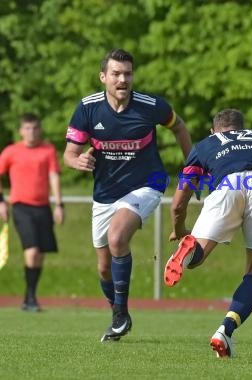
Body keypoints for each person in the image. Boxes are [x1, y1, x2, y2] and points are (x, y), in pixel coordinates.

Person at [63, 48, 192, 342]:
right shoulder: (87, 108)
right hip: (105, 192)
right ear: (103, 77)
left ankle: (120, 314)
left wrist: (191, 167)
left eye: (128, 74)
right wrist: (78, 160)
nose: (123, 79)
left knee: (118, 237)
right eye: (116, 74)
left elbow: (180, 126)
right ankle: (119, 315)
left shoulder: (151, 106)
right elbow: (69, 155)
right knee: (104, 266)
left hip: (148, 183)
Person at [163, 108, 252, 358]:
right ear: (242, 127)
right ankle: (225, 329)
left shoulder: (206, 145)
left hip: (226, 186)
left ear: (215, 130)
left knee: (197, 256)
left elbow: (178, 203)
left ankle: (189, 251)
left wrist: (180, 230)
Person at [0, 113, 64, 312]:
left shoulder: (48, 150)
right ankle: (29, 298)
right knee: (32, 250)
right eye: (27, 128)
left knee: (40, 255)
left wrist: (59, 204)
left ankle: (30, 297)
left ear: (40, 129)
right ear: (21, 131)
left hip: (43, 207)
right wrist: (1, 201)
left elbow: (53, 176)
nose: (31, 132)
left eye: (35, 128)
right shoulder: (11, 151)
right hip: (21, 207)